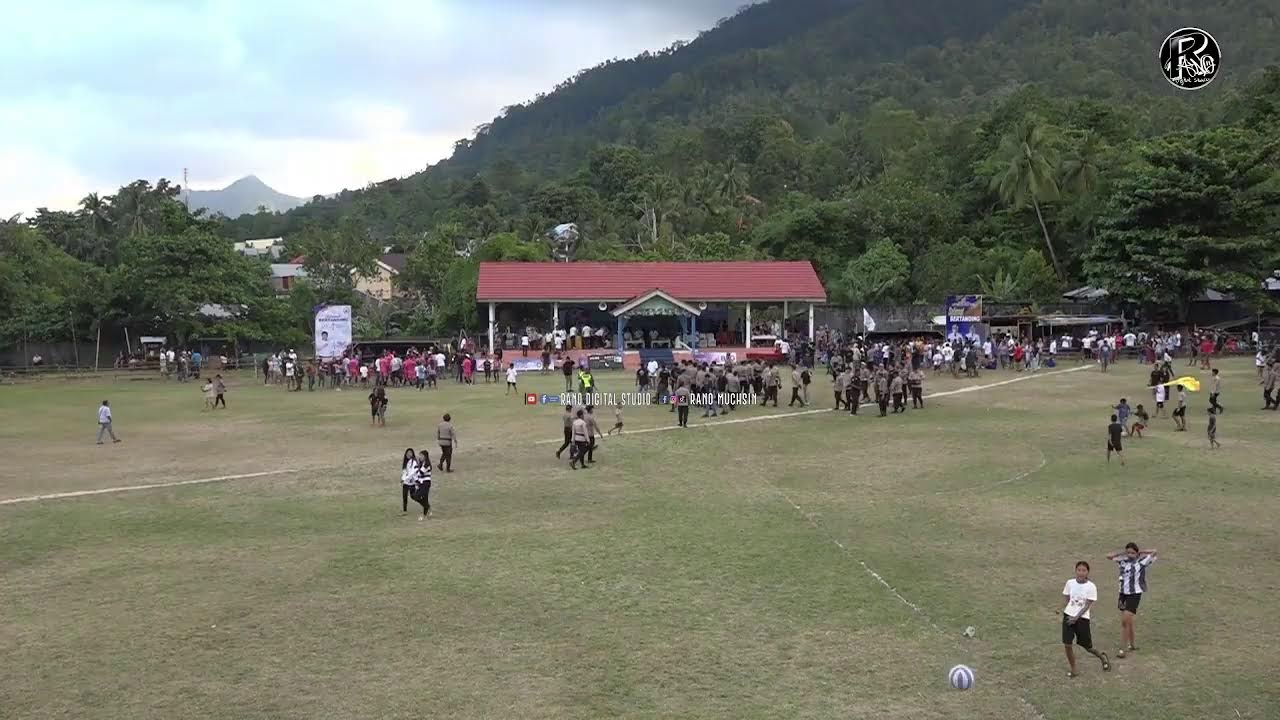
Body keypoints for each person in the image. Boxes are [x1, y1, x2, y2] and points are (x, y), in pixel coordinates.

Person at [1059, 561, 1111, 678]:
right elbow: (1067, 599)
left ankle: (1102, 657)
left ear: (1087, 572)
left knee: (1087, 646)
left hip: (1082, 619)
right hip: (1068, 617)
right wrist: (1066, 611)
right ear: (1075, 571)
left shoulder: (1091, 586)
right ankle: (1074, 669)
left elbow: (1087, 605)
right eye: (1079, 570)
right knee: (1067, 644)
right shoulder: (1070, 583)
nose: (1081, 573)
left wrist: (1076, 617)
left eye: (1084, 570)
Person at [1106, 543, 1157, 658]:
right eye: (1128, 552)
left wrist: (1141, 552)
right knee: (1128, 622)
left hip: (1134, 594)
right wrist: (1123, 553)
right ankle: (1132, 644)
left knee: (1125, 621)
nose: (1130, 555)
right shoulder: (1122, 561)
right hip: (1123, 594)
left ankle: (1122, 649)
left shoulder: (1142, 562)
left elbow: (1154, 551)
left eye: (1132, 553)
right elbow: (1108, 556)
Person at [412, 449, 432, 520]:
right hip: (421, 483)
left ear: (425, 456)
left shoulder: (426, 464)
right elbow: (418, 474)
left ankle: (425, 513)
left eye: (421, 455)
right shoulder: (421, 464)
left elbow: (420, 473)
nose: (420, 457)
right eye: (419, 455)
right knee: (415, 496)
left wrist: (416, 469)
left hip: (426, 483)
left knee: (420, 497)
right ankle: (427, 508)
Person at [400, 448, 419, 514]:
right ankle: (404, 511)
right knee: (404, 496)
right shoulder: (406, 462)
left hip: (412, 483)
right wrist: (403, 479)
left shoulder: (414, 462)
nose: (409, 454)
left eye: (410, 453)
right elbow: (404, 471)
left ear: (412, 454)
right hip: (406, 483)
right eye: (407, 453)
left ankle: (425, 504)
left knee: (413, 496)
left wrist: (405, 479)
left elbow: (412, 473)